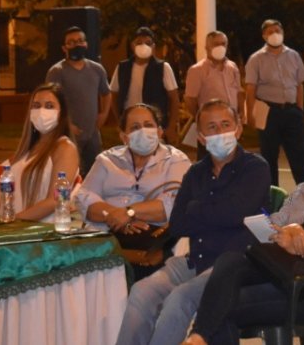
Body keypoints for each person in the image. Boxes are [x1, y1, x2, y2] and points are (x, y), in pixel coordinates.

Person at [182, 113, 304, 345]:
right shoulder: (303, 190)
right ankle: (198, 337)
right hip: (280, 275)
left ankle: (198, 337)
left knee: (219, 307)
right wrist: (289, 230)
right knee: (229, 263)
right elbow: (272, 224)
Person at [115, 99, 270, 345]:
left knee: (179, 298)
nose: (220, 133)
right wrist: (219, 211)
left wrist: (196, 208)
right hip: (194, 259)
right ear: (200, 136)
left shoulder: (254, 168)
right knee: (142, 292)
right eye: (211, 127)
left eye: (226, 125)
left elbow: (236, 212)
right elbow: (178, 224)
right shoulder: (196, 173)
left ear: (238, 128)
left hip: (232, 265)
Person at [76, 103, 190, 235]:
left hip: (153, 234)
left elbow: (174, 203)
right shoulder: (107, 159)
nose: (142, 131)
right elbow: (85, 198)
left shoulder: (175, 160)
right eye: (135, 127)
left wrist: (130, 212)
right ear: (124, 137)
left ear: (159, 132)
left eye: (148, 125)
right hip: (106, 231)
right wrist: (115, 217)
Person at [244, 19, 304, 187]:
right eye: (270, 31)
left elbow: (299, 85)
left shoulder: (294, 55)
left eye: (277, 30)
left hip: (291, 111)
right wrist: (251, 114)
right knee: (269, 158)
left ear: (283, 32)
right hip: (269, 112)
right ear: (264, 36)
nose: (274, 34)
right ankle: (273, 198)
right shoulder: (256, 59)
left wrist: (299, 110)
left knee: (299, 157)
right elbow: (250, 89)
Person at [6, 82, 80, 221]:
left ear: (61, 113)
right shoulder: (26, 150)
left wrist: (14, 221)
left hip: (41, 230)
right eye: (36, 106)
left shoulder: (64, 148)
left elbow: (55, 199)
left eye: (49, 106)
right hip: (12, 226)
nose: (41, 111)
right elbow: (4, 195)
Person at [46, 25, 111, 176]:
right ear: (64, 47)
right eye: (71, 42)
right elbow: (49, 102)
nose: (77, 45)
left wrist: (104, 114)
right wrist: (67, 124)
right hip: (68, 134)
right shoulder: (57, 71)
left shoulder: (97, 69)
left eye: (80, 41)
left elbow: (106, 93)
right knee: (69, 174)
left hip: (92, 134)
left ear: (86, 44)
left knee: (94, 173)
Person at [110, 27, 181, 144]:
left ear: (153, 46)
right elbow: (114, 94)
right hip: (130, 126)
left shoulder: (163, 68)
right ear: (132, 46)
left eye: (148, 43)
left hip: (155, 126)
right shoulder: (122, 68)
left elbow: (174, 98)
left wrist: (171, 127)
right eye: (139, 42)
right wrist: (119, 121)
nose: (143, 46)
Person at [183, 31, 244, 123]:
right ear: (207, 47)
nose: (220, 47)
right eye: (216, 44)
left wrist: (241, 112)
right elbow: (190, 99)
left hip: (232, 121)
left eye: (223, 44)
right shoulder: (196, 70)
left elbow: (239, 91)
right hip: (211, 123)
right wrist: (200, 119)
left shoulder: (233, 67)